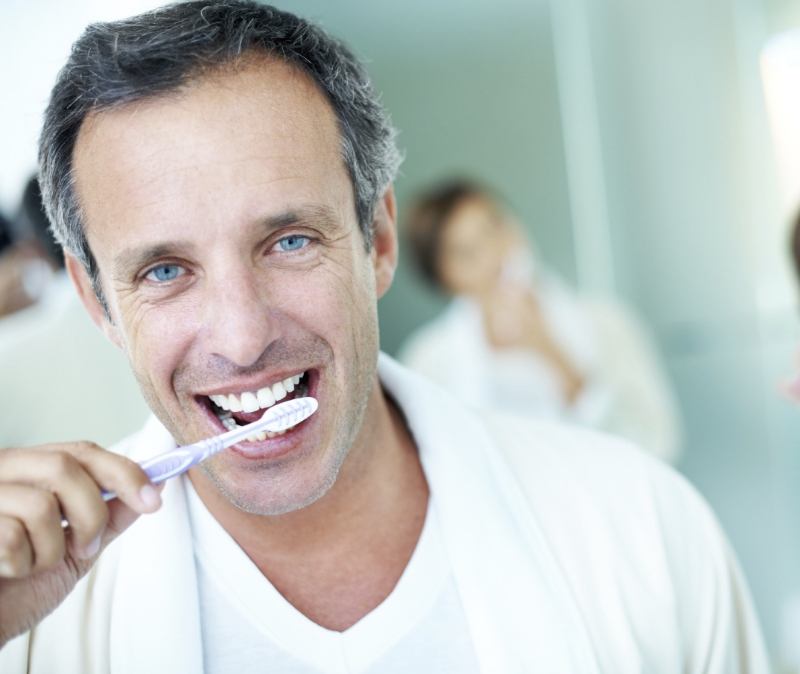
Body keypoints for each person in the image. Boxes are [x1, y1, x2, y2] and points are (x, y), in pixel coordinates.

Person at [0, 2, 768, 672]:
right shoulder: (30, 625)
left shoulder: (646, 536)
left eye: (290, 241)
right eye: (165, 271)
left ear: (379, 239)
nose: (240, 339)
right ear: (97, 302)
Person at [400, 179, 682, 462]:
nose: (495, 252)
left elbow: (657, 443)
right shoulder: (429, 362)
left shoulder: (607, 323)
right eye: (468, 252)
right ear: (444, 279)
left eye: (495, 226)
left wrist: (548, 349)